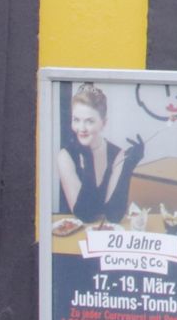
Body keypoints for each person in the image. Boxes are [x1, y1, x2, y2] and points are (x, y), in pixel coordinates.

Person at [56, 82, 146, 226]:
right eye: (76, 120)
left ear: (103, 123)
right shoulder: (65, 156)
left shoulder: (117, 154)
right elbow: (85, 215)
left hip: (104, 235)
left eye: (89, 121)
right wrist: (89, 159)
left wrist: (128, 167)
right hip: (75, 235)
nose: (81, 128)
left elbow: (114, 215)